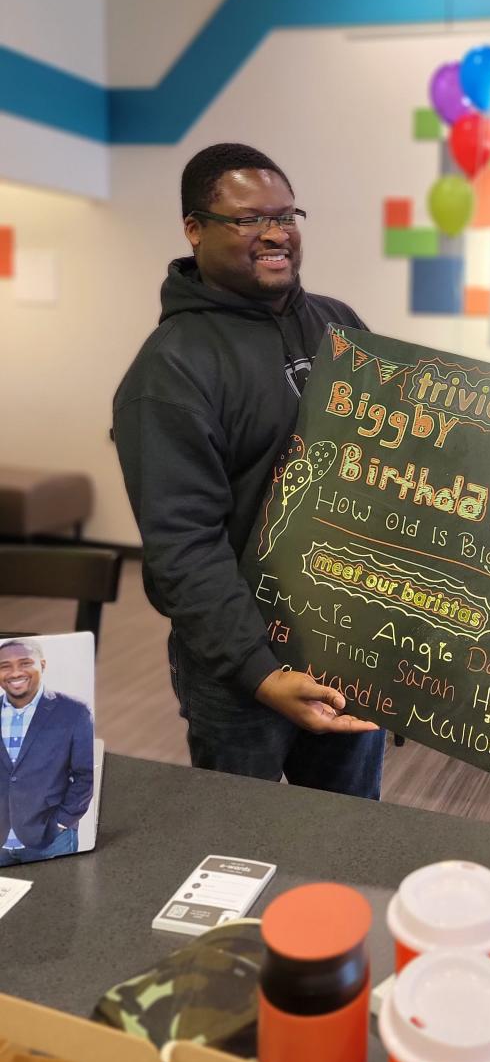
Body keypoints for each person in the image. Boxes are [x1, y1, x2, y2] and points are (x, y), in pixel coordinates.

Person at [113, 143, 384, 793]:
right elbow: (184, 548)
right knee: (240, 850)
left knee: (350, 838)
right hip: (238, 670)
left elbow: (391, 470)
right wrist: (259, 672)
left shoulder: (339, 325)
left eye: (287, 215)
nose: (274, 233)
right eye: (247, 219)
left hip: (345, 645)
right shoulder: (170, 370)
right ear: (193, 228)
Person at [0, 639, 94, 865]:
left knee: (63, 901)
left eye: (24, 663)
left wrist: (61, 823)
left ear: (42, 665)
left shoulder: (75, 711)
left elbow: (85, 774)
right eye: (5, 666)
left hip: (52, 842)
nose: (15, 673)